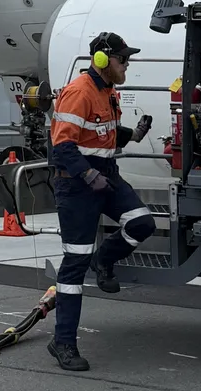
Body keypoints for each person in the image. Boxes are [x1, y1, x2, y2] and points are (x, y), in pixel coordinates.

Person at [46, 31, 155, 372]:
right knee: (73, 265)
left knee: (142, 223)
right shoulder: (79, 92)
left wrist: (133, 135)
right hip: (78, 185)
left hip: (106, 174)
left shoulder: (108, 91)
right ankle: (63, 342)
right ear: (104, 61)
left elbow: (103, 132)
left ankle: (104, 260)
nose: (128, 64)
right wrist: (87, 175)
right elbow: (62, 146)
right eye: (124, 59)